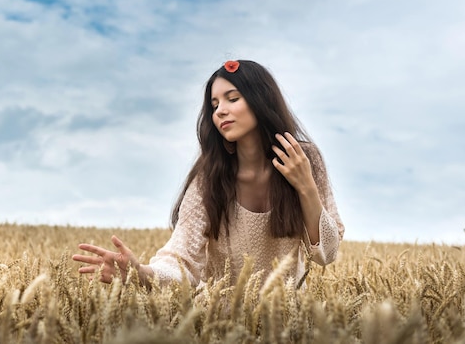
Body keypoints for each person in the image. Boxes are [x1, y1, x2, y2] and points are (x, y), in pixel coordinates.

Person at [72, 60, 344, 288]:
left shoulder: (306, 160)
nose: (220, 111)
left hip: (287, 324)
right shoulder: (210, 177)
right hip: (218, 325)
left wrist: (305, 185)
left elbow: (326, 254)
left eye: (232, 98)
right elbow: (182, 261)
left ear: (261, 100)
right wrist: (140, 274)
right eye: (214, 105)